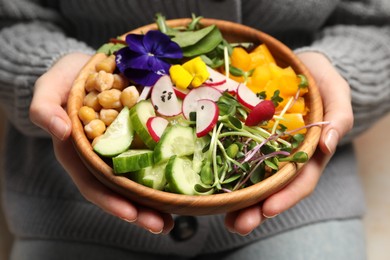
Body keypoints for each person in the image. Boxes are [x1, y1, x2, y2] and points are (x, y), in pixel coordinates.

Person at [0, 0, 389, 259]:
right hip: (67, 203)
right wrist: (48, 75)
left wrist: (338, 76)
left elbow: (377, 25)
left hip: (304, 204)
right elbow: (12, 19)